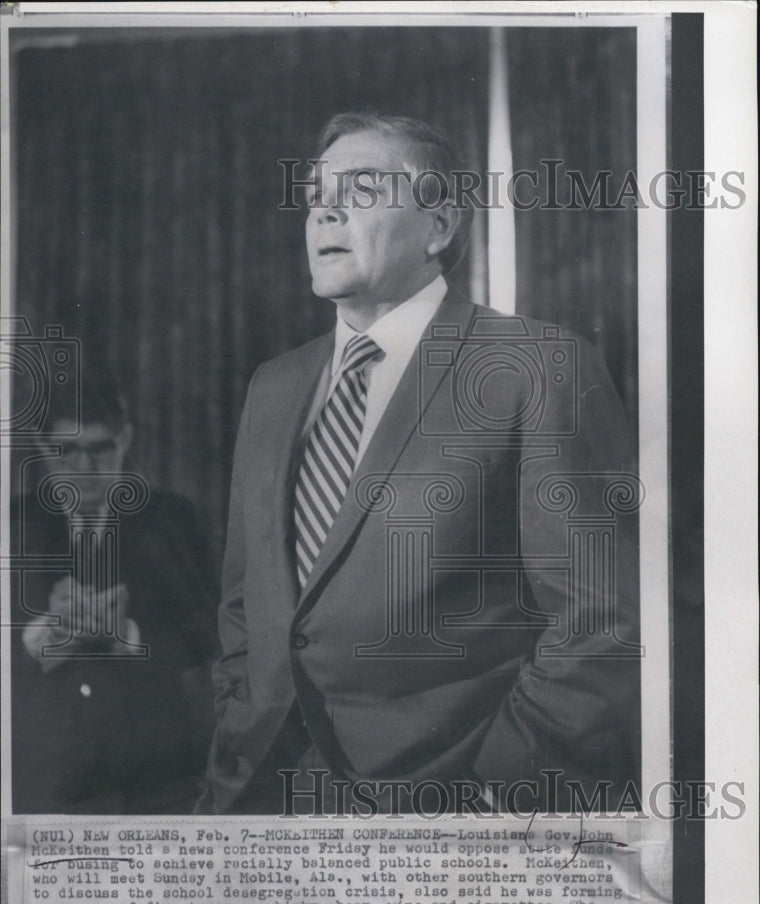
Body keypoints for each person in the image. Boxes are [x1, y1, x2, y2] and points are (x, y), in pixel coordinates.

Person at [197, 112, 640, 816]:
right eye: (314, 198)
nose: (325, 212)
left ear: (438, 225)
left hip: (451, 811)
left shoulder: (536, 366)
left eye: (360, 190)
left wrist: (498, 792)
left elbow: (600, 621)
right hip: (263, 799)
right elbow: (244, 606)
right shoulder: (274, 385)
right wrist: (236, 732)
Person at [11, 372, 218, 813]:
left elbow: (211, 636)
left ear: (124, 440)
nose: (84, 469)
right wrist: (42, 633)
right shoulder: (11, 525)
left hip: (155, 781)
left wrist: (128, 634)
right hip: (46, 780)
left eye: (100, 449)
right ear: (43, 447)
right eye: (68, 451)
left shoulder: (173, 522)